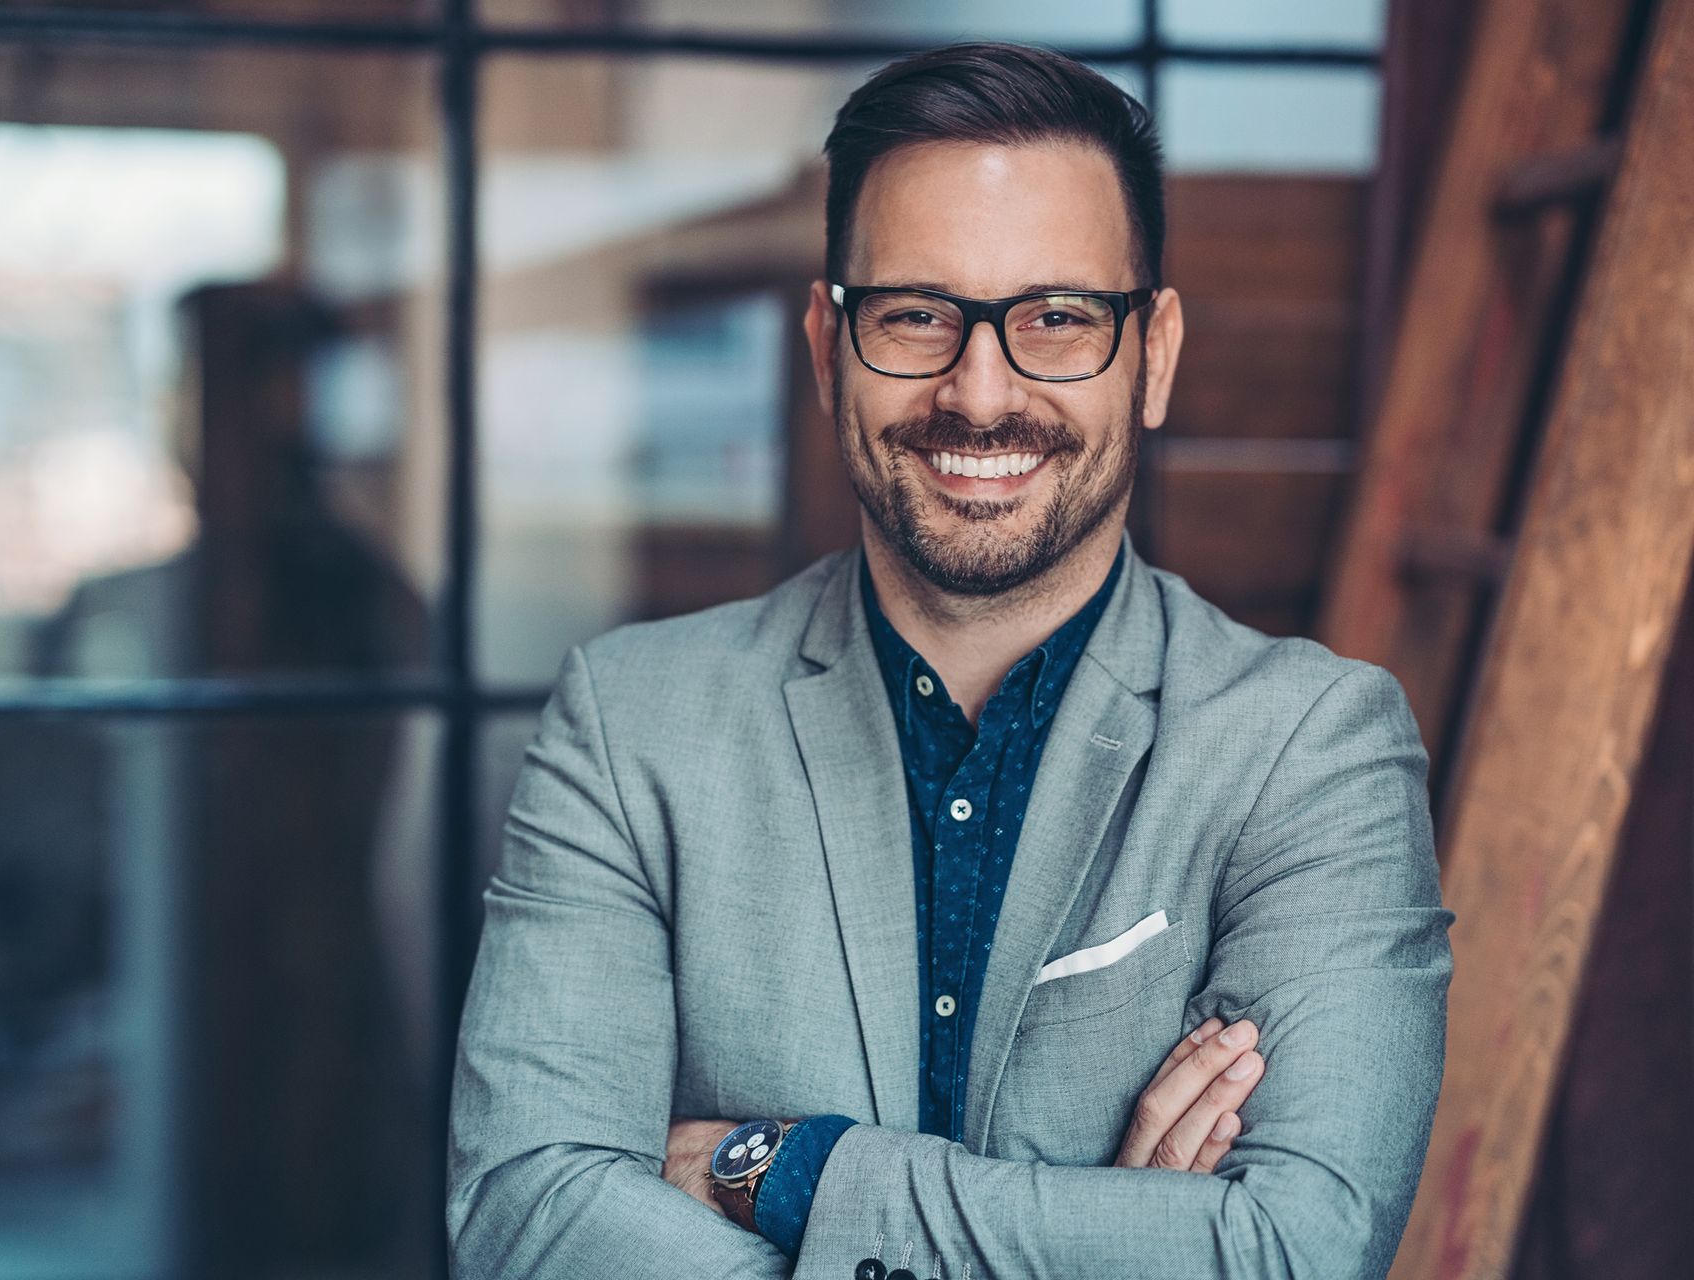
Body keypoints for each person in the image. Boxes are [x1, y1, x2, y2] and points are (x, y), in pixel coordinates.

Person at [447, 42, 1453, 1280]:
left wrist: (784, 1169)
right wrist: (1111, 1235)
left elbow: (1295, 1250)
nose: (982, 393)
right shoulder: (629, 722)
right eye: (917, 315)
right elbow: (527, 1221)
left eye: (1058, 318)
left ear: (1156, 355)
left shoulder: (1313, 745)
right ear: (828, 344)